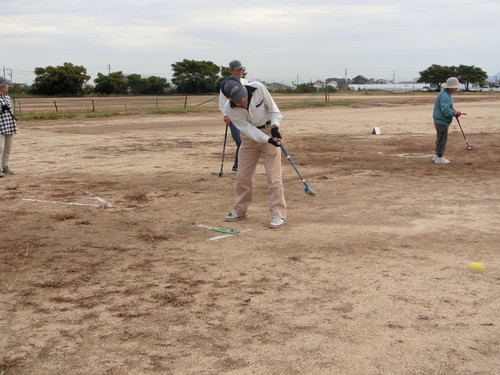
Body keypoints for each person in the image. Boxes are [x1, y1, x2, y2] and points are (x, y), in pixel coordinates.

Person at [220, 76, 286, 228]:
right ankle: (241, 210)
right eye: (238, 100)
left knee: (273, 177)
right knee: (242, 176)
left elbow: (274, 110)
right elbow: (249, 130)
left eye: (243, 96)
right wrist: (267, 140)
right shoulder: (229, 110)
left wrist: (275, 127)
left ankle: (278, 214)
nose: (243, 101)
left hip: (268, 130)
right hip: (249, 138)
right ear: (229, 98)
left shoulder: (258, 88)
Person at [218, 60, 248, 173]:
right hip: (232, 115)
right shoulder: (226, 84)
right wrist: (225, 115)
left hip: (244, 116)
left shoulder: (245, 82)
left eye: (241, 69)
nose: (240, 71)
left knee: (245, 141)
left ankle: (238, 166)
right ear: (231, 70)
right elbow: (222, 101)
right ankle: (237, 166)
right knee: (239, 141)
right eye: (237, 69)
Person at [432, 77, 464, 165]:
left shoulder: (446, 93)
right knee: (442, 139)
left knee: (440, 138)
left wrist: (454, 112)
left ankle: (437, 155)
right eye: (455, 87)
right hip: (441, 121)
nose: (456, 89)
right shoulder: (445, 95)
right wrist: (455, 113)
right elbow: (445, 110)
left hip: (440, 120)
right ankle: (439, 157)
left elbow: (447, 108)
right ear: (450, 87)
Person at [0, 76, 18, 178]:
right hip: (0, 125)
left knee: (7, 148)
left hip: (9, 124)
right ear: (1, 86)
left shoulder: (7, 97)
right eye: (6, 84)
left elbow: (10, 110)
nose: (8, 86)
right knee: (0, 148)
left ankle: (4, 166)